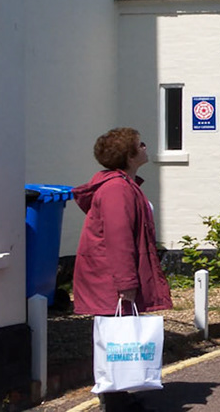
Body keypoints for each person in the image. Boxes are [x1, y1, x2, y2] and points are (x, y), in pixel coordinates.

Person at [72, 128, 172, 411]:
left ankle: (118, 396)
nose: (144, 146)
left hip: (109, 274)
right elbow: (118, 238)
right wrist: (126, 282)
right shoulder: (117, 189)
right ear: (129, 155)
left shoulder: (122, 184)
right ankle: (114, 402)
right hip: (111, 276)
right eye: (139, 144)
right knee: (114, 337)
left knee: (115, 336)